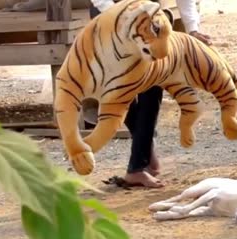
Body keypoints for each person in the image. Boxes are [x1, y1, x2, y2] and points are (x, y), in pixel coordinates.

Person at [89, 0, 212, 188]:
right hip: (108, 15)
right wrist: (119, 17)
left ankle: (139, 161)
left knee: (153, 86)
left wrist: (193, 29)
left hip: (149, 16)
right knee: (120, 89)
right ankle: (142, 156)